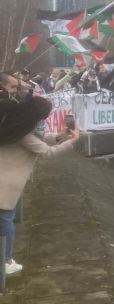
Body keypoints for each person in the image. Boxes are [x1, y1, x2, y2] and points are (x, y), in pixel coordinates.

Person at [0, 72, 78, 277]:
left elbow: (40, 138)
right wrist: (73, 142)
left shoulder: (15, 126)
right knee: (6, 221)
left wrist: (61, 136)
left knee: (6, 219)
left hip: (4, 181)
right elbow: (46, 152)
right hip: (5, 184)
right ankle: (5, 261)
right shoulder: (23, 134)